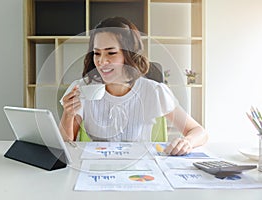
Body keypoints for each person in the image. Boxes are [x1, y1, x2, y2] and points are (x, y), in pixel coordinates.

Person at [59, 17, 208, 155]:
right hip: (96, 167)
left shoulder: (154, 91)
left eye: (111, 53)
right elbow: (65, 144)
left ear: (130, 54)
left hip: (140, 168)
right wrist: (68, 114)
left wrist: (187, 142)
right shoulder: (82, 88)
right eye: (97, 53)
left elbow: (199, 131)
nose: (102, 61)